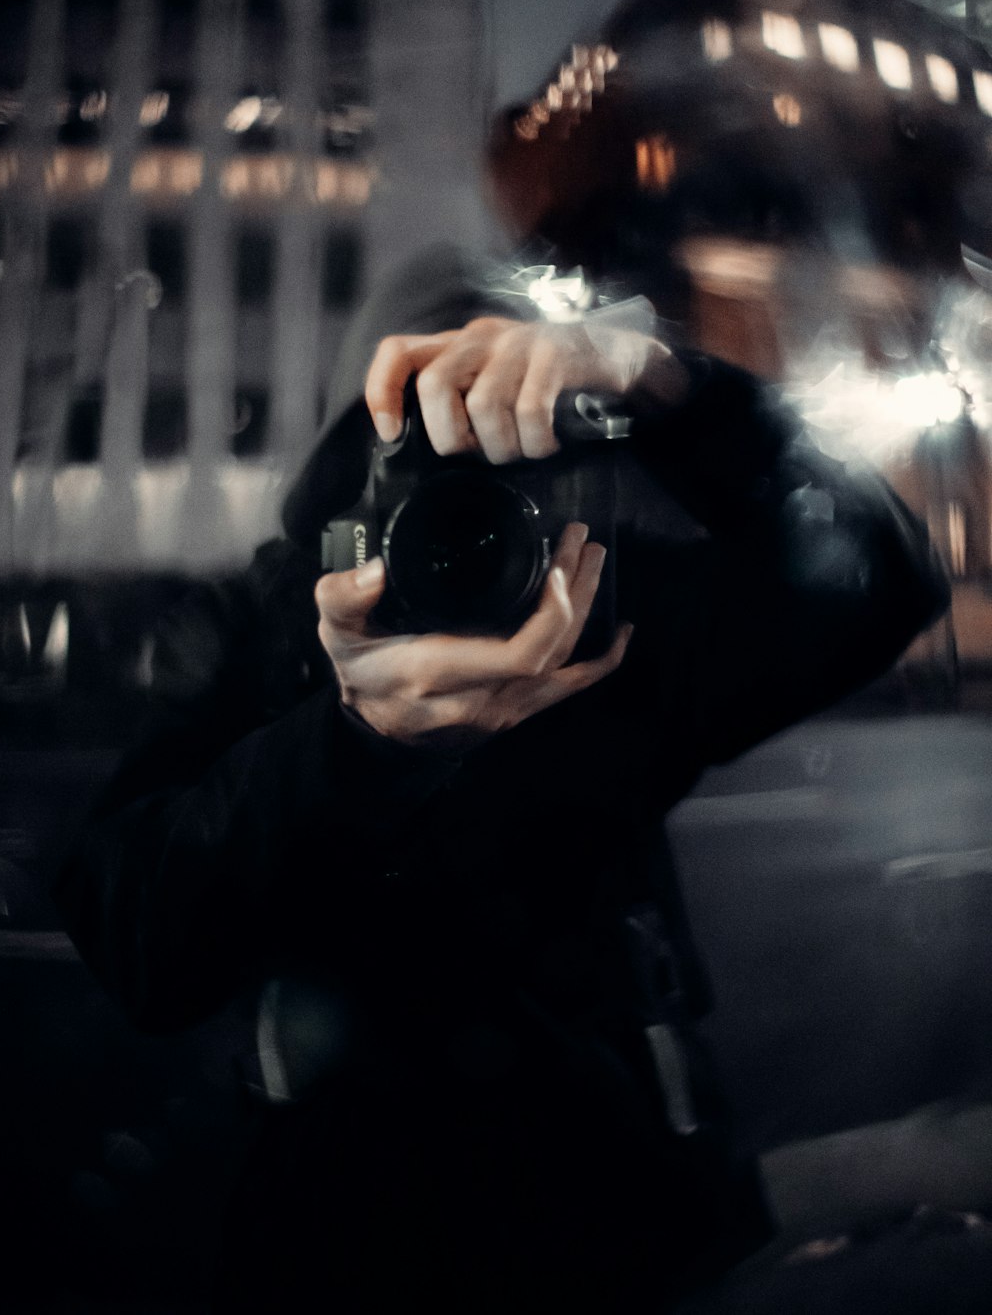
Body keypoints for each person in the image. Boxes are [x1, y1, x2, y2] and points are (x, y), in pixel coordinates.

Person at [54, 245, 949, 1313]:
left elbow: (878, 577)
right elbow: (133, 927)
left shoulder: (600, 611)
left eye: (518, 404)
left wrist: (660, 381)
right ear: (370, 425)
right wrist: (353, 739)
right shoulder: (280, 622)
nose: (464, 523)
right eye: (434, 404)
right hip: (340, 1217)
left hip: (608, 1192)